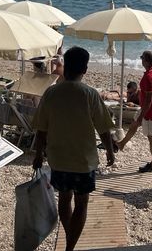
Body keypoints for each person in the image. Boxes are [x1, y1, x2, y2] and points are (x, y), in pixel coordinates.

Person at [33, 46, 115, 251]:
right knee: (81, 203)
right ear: (85, 69)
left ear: (65, 66)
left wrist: (38, 155)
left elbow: (41, 129)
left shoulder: (51, 93)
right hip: (84, 160)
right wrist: (110, 151)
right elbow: (104, 129)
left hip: (58, 157)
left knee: (64, 198)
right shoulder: (90, 94)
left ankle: (70, 240)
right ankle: (70, 246)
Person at [115, 50, 152, 173]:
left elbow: (149, 100)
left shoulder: (149, 77)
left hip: (150, 110)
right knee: (134, 124)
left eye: (142, 58)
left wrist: (141, 117)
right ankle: (122, 143)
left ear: (146, 61)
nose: (141, 60)